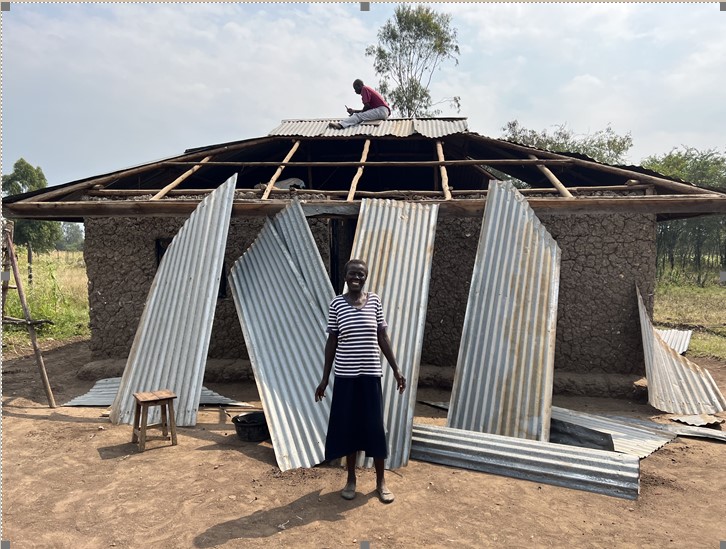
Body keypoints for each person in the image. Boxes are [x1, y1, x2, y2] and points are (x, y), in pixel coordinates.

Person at [314, 258, 406, 503]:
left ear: (366, 277)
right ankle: (351, 479)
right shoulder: (336, 304)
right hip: (345, 378)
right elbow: (331, 342)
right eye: (352, 273)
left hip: (370, 376)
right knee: (349, 428)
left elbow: (382, 337)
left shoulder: (374, 301)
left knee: (375, 428)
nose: (357, 277)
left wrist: (396, 369)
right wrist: (324, 378)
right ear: (345, 276)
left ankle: (380, 481)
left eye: (361, 274)